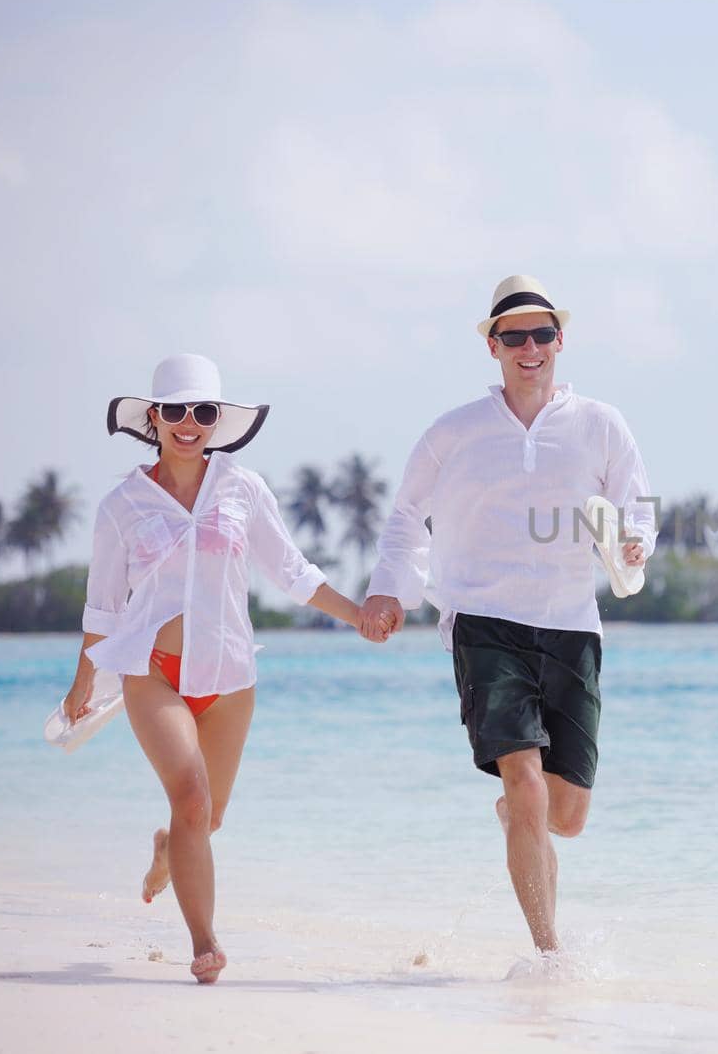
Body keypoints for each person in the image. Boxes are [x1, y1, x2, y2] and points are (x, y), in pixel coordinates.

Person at [360, 274, 654, 957]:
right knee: (525, 784)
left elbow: (637, 507)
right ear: (492, 346)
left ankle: (518, 818)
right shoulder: (454, 431)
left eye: (542, 333)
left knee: (568, 815)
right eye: (513, 335)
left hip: (572, 623)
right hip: (484, 621)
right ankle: (551, 956)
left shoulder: (601, 424)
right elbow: (406, 514)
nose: (530, 347)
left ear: (560, 340)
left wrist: (635, 542)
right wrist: (388, 590)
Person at [60, 354, 367, 984]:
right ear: (154, 417)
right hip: (154, 672)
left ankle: (168, 850)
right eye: (175, 411)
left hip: (229, 678)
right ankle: (204, 943)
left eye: (202, 412)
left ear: (217, 420)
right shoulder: (121, 505)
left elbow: (293, 573)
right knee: (193, 799)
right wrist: (83, 680)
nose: (189, 423)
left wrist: (359, 616)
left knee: (207, 818)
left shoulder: (243, 489)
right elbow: (102, 602)